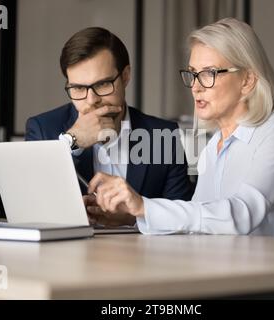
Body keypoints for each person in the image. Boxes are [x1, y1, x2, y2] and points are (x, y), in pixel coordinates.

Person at [86, 18, 274, 239]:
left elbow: (240, 216)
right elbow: (201, 224)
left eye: (209, 73)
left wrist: (144, 206)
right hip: (240, 278)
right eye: (193, 74)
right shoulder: (214, 145)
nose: (196, 87)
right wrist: (133, 217)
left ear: (247, 80)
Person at [25, 27, 194, 227]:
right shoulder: (43, 129)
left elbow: (184, 221)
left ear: (125, 76)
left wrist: (135, 219)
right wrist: (72, 141)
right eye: (78, 88)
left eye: (103, 84)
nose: (91, 100)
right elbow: (29, 208)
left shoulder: (164, 135)